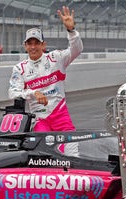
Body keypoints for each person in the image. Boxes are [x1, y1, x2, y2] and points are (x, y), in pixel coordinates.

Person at [8, 6, 83, 140]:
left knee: (71, 151)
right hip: (39, 119)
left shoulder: (56, 58)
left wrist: (71, 31)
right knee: (41, 154)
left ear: (43, 45)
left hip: (60, 115)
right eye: (29, 43)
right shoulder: (19, 68)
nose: (33, 47)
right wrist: (33, 93)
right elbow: (13, 93)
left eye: (37, 43)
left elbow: (76, 50)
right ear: (25, 46)